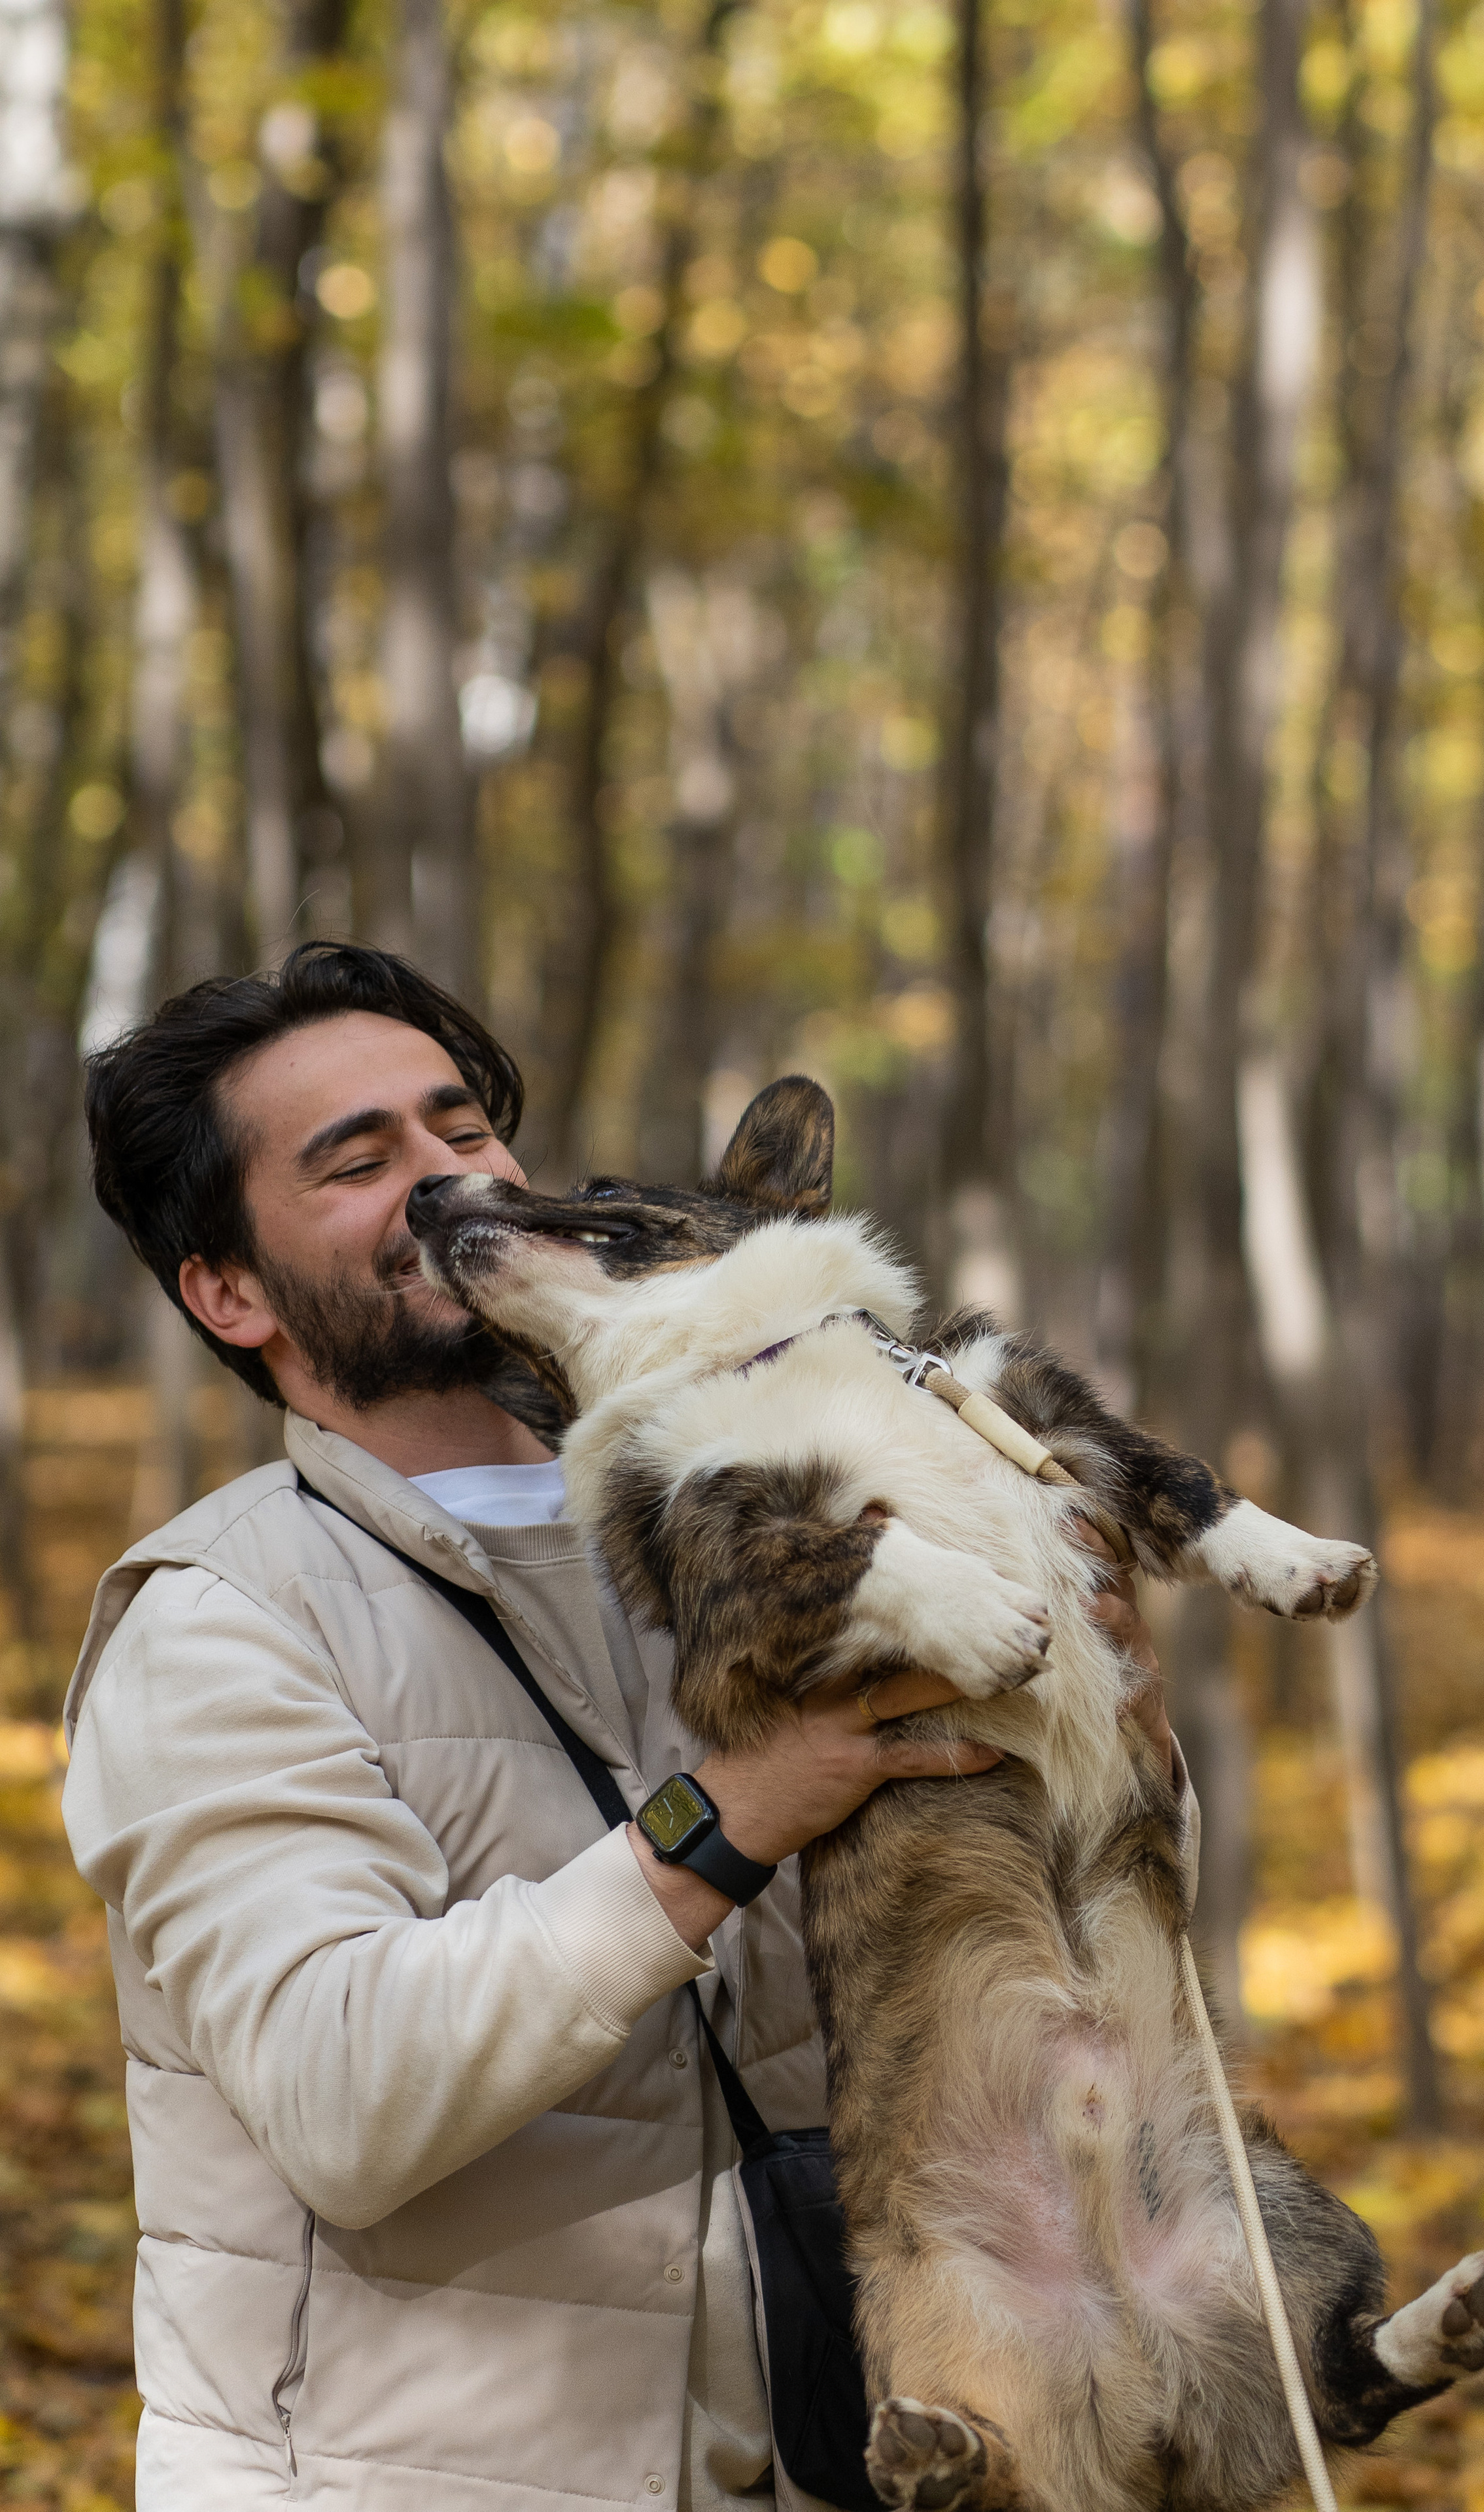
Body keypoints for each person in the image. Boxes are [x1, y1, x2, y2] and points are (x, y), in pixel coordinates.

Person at [62, 940, 1186, 2511]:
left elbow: (1003, 1926)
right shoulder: (223, 1619)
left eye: (460, 1129)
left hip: (811, 2449)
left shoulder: (724, 1522)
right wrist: (725, 1815)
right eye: (358, 1160)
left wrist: (1097, 1715)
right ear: (229, 1291)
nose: (446, 1179)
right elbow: (344, 2100)